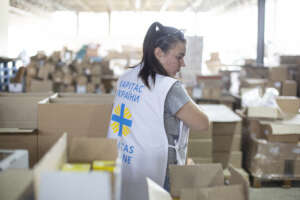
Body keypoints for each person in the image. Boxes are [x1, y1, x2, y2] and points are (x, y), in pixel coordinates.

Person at [107, 22, 209, 200]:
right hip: (157, 171)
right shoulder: (168, 87)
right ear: (158, 53)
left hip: (126, 161)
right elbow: (202, 123)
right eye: (179, 57)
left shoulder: (127, 77)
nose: (183, 63)